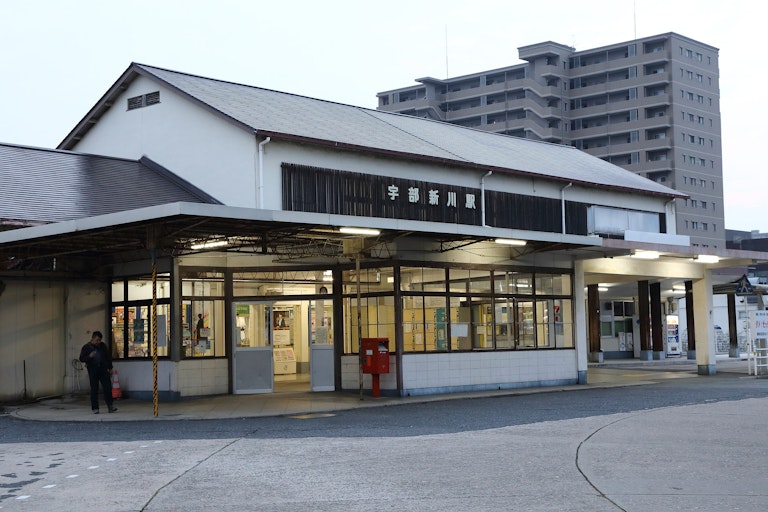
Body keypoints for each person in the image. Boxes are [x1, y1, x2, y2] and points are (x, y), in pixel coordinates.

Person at [79, 331, 117, 414]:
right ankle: (95, 408)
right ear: (92, 338)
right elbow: (81, 358)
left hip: (103, 369)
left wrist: (110, 368)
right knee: (94, 389)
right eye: (97, 340)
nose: (98, 342)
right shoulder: (86, 347)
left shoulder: (103, 346)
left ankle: (110, 406)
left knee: (107, 388)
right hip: (93, 369)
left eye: (100, 340)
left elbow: (108, 357)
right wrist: (89, 356)